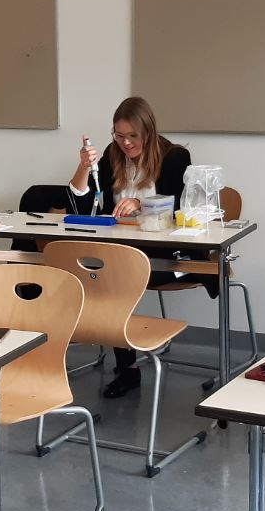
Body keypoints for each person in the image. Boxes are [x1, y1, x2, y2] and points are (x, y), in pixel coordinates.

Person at [68, 96, 191, 397]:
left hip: (166, 255)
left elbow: (179, 207)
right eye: (119, 135)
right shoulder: (113, 155)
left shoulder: (175, 157)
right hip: (120, 249)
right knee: (97, 272)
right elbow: (83, 204)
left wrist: (140, 202)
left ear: (148, 131)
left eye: (133, 136)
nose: (125, 143)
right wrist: (84, 168)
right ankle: (125, 363)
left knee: (113, 278)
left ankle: (127, 367)